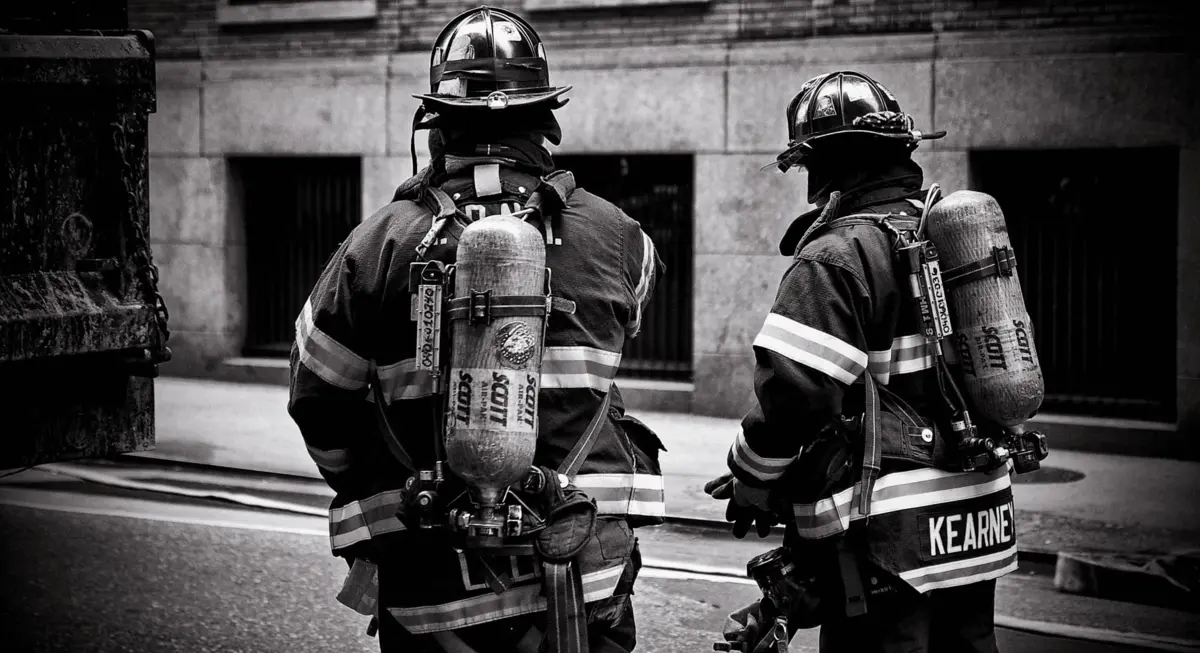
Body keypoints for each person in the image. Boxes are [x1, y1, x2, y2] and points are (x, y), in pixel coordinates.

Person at [287, 6, 666, 652]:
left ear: (436, 128)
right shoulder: (623, 238)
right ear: (545, 122)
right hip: (582, 579)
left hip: (434, 592)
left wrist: (379, 475)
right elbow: (630, 314)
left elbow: (315, 397)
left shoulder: (375, 245)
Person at [706, 71, 1020, 653]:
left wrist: (751, 477)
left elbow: (796, 397)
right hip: (976, 516)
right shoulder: (952, 236)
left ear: (827, 168)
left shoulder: (836, 255)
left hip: (887, 534)